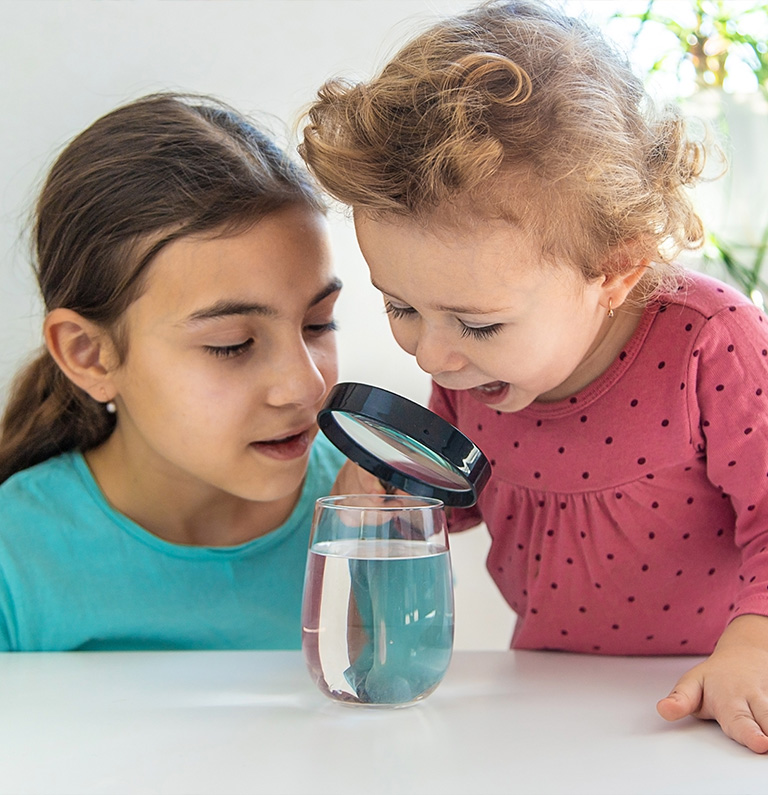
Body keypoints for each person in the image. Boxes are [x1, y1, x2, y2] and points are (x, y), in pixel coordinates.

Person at [300, 0, 768, 753]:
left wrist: (758, 642)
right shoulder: (478, 369)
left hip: (713, 700)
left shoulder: (712, 344)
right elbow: (459, 494)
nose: (432, 355)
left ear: (615, 266)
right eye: (399, 306)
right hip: (544, 695)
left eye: (478, 323)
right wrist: (393, 499)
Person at [0, 92, 345, 651]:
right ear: (89, 355)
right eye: (233, 345)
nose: (306, 387)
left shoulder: (372, 518)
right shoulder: (14, 558)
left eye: (318, 324)